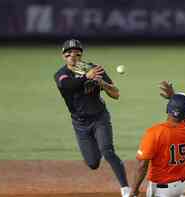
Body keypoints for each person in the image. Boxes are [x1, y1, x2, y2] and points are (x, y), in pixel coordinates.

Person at [54, 39, 130, 197]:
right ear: (63, 56)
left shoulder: (94, 69)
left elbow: (116, 94)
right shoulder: (61, 75)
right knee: (93, 163)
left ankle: (126, 190)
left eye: (76, 53)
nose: (73, 57)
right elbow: (68, 86)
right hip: (80, 124)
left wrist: (102, 83)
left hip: (99, 118)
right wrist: (86, 78)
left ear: (81, 55)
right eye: (69, 54)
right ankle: (97, 144)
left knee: (107, 151)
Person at [130, 81, 185, 197]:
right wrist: (175, 97)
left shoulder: (154, 132)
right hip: (183, 185)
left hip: (161, 191)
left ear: (168, 109)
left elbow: (142, 165)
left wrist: (134, 190)